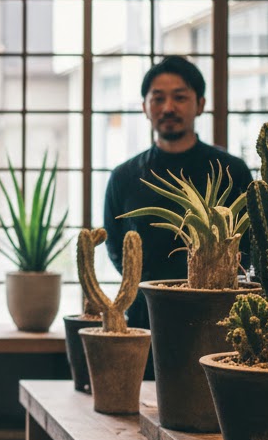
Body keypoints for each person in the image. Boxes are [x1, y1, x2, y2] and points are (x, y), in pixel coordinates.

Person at [103, 54, 252, 331]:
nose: (168, 107)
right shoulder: (124, 176)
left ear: (201, 105)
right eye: (158, 98)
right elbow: (115, 246)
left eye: (180, 97)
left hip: (218, 316)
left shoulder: (232, 171)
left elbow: (251, 244)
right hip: (143, 317)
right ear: (145, 107)